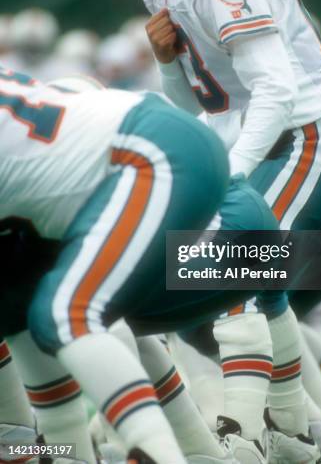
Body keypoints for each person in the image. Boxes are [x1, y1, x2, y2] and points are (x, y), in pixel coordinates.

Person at [94, 0, 321, 464]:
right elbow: (199, 104)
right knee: (200, 287)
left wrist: (235, 176)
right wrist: (168, 62)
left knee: (233, 262)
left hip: (314, 135)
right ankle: (308, 430)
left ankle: (242, 435)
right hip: (269, 137)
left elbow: (275, 89)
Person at [0, 66, 231, 463]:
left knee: (67, 314)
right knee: (50, 312)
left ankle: (164, 450)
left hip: (203, 220)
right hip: (179, 172)